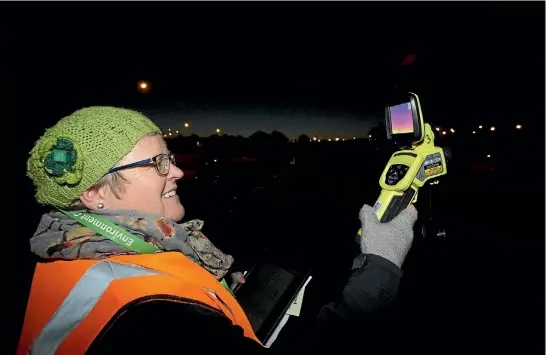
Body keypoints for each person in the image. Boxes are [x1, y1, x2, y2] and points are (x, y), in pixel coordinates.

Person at [18, 106, 418, 354]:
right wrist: (380, 267)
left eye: (169, 157)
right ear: (93, 193)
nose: (176, 171)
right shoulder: (152, 315)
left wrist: (218, 296)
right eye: (156, 163)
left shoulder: (70, 250)